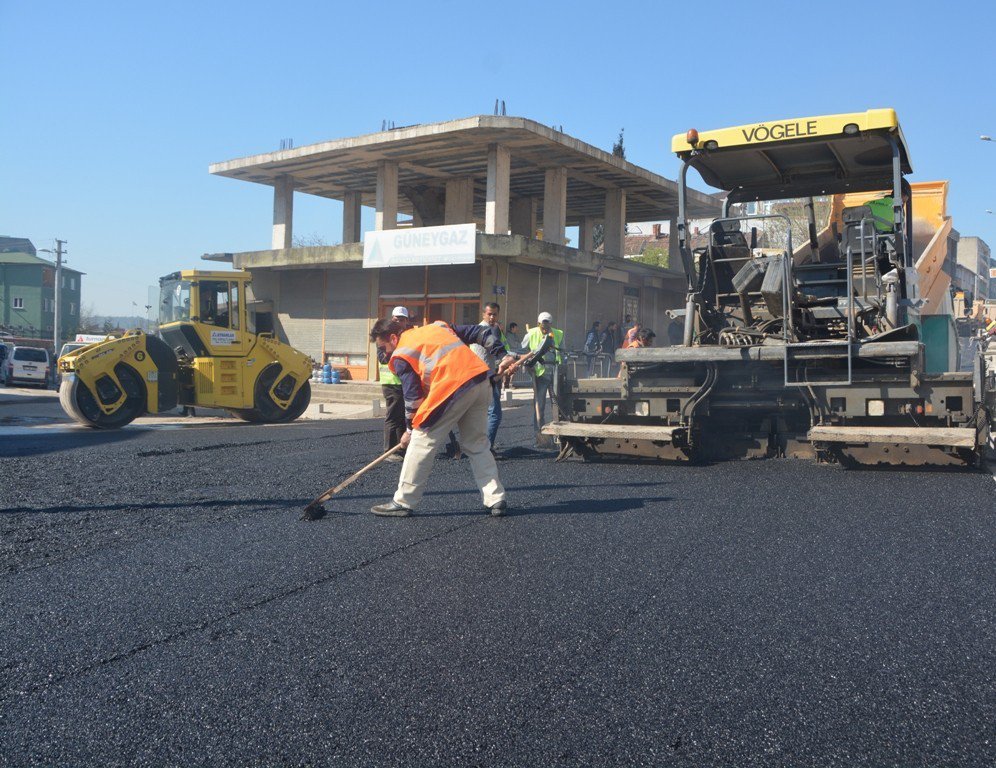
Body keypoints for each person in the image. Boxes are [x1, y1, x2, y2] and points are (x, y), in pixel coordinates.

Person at [368, 318, 517, 518]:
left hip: (453, 387)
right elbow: (479, 331)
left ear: (393, 338)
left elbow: (413, 398)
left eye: (383, 347)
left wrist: (411, 430)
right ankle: (495, 498)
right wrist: (502, 354)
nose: (384, 353)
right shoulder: (437, 327)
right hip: (480, 382)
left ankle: (404, 501)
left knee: (421, 444)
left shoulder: (401, 355)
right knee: (477, 444)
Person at [470, 302, 507, 451]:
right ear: (483, 314)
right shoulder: (483, 331)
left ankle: (480, 445)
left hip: (488, 375)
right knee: (494, 414)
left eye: (495, 314)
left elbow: (501, 350)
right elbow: (486, 356)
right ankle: (487, 447)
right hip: (485, 377)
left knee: (483, 414)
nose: (492, 317)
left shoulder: (494, 330)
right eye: (489, 314)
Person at [521, 311, 564, 440]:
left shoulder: (558, 333)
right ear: (538, 323)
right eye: (543, 326)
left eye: (547, 326)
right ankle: (539, 431)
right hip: (539, 373)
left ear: (551, 324)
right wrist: (528, 363)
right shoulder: (531, 333)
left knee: (557, 403)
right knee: (539, 404)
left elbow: (562, 351)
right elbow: (522, 350)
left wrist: (562, 367)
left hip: (555, 371)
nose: (545, 329)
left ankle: (559, 433)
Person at [379, 306, 412, 463]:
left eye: (402, 319)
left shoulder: (407, 336)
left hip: (404, 382)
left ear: (406, 321)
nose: (399, 321)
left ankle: (400, 449)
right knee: (393, 416)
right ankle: (389, 451)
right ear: (392, 319)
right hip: (391, 382)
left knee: (402, 417)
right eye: (396, 319)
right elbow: (382, 358)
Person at [502, 322, 522, 389]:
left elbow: (519, 343)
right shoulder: (509, 335)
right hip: (510, 354)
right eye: (516, 327)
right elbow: (514, 344)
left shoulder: (514, 335)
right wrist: (518, 344)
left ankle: (509, 383)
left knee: (514, 369)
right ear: (512, 328)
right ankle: (505, 384)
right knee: (508, 369)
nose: (517, 329)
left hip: (515, 354)